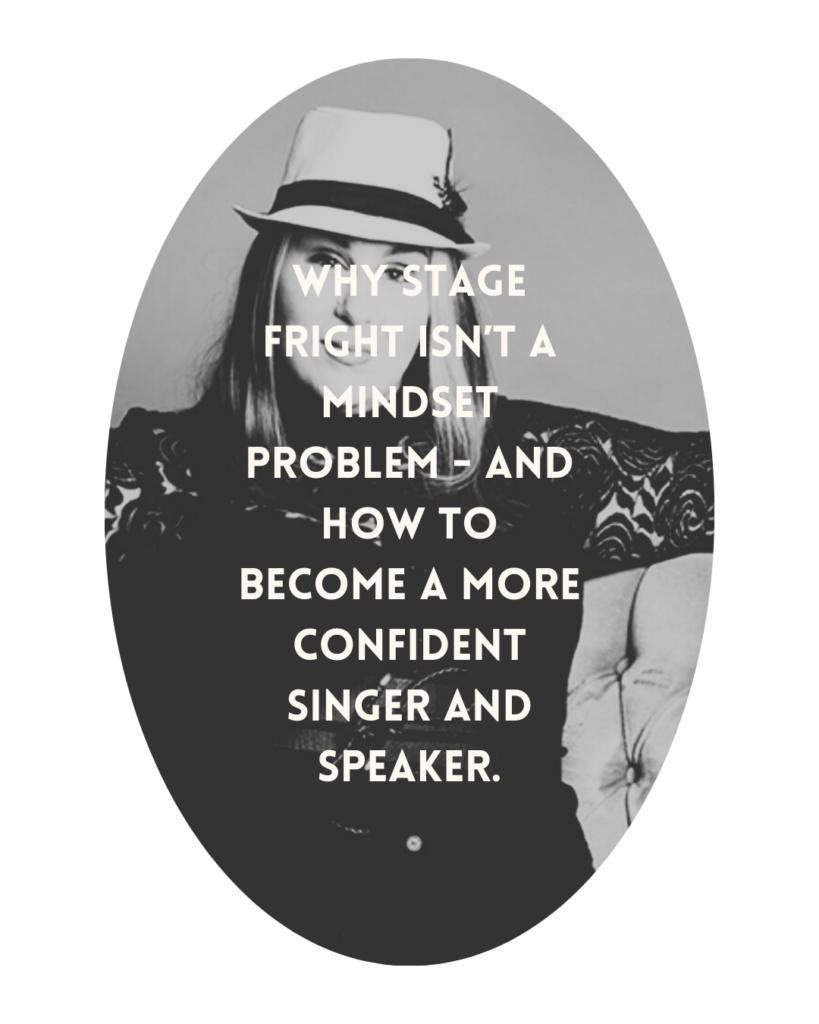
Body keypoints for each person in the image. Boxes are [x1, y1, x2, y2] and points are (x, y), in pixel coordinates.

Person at [105, 107, 713, 964]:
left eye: (399, 271)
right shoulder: (160, 474)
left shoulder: (549, 465)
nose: (358, 310)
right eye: (325, 261)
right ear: (269, 280)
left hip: (511, 905)